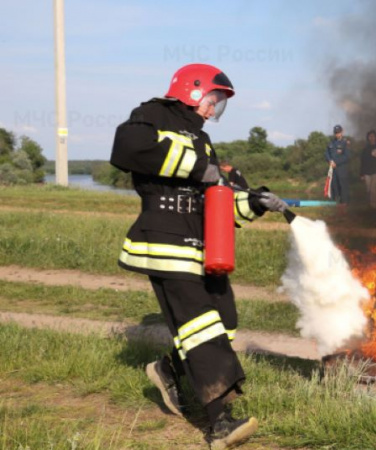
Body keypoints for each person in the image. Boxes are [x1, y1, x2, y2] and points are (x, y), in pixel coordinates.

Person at [109, 63, 287, 449]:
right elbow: (127, 148)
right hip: (165, 238)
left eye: (219, 105)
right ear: (192, 90)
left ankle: (169, 370)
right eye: (212, 100)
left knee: (224, 320)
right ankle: (218, 423)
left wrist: (254, 201)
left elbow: (215, 200)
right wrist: (197, 169)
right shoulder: (153, 114)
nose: (213, 110)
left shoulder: (203, 138)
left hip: (202, 241)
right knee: (200, 326)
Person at [324, 124, 351, 206]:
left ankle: (344, 203)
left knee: (343, 186)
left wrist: (336, 162)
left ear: (342, 132)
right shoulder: (331, 143)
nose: (337, 134)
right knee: (334, 186)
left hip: (341, 168)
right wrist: (330, 161)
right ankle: (335, 202)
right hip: (333, 168)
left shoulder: (345, 143)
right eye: (336, 132)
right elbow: (326, 153)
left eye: (338, 132)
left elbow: (347, 156)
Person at [359, 130, 376, 209]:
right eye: (370, 136)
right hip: (367, 172)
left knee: (374, 189)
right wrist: (361, 174)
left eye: (373, 136)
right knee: (368, 189)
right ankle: (370, 205)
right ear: (368, 138)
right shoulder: (365, 149)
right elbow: (362, 162)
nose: (372, 138)